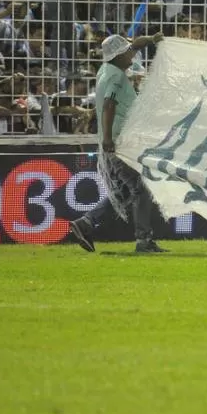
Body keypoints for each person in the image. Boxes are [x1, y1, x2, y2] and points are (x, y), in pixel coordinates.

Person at [70, 33, 168, 254]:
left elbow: (132, 48)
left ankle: (85, 222)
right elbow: (109, 105)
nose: (131, 57)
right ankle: (144, 241)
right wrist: (107, 139)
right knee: (141, 189)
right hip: (119, 143)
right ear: (117, 56)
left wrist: (150, 40)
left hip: (118, 142)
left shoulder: (106, 71)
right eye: (126, 53)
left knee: (125, 192)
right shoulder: (117, 78)